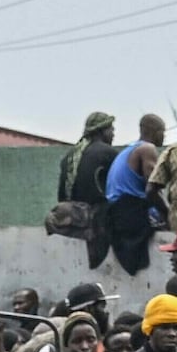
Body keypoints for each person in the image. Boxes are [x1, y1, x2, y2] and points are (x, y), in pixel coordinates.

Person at [100, 113, 162, 274]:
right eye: (163, 132)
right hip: (128, 211)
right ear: (155, 131)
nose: (163, 136)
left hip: (114, 214)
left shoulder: (127, 150)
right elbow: (153, 190)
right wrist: (169, 214)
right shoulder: (147, 149)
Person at [58, 111, 119, 267]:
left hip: (70, 218)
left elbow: (61, 195)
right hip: (97, 220)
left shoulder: (70, 156)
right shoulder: (108, 153)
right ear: (101, 131)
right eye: (111, 129)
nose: (113, 133)